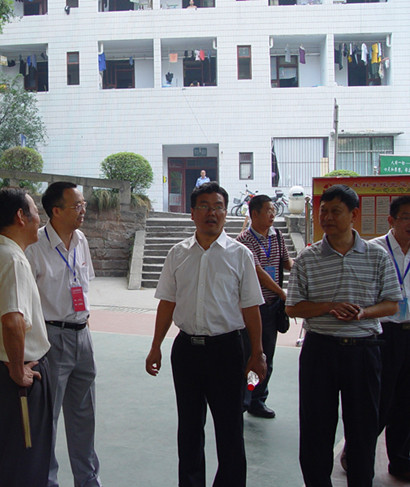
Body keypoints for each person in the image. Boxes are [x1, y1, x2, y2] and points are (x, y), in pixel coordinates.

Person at [145, 181, 267, 487]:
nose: (211, 213)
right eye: (204, 206)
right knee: (189, 428)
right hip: (186, 350)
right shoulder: (178, 254)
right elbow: (167, 303)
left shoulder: (240, 255)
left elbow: (251, 307)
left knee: (230, 428)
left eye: (218, 207)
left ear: (226, 212)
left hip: (227, 351)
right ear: (192, 213)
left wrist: (257, 352)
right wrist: (156, 346)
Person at [286, 184, 401, 487]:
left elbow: (392, 303)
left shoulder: (377, 256)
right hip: (319, 351)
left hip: (364, 352)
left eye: (335, 211)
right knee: (316, 428)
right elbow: (293, 306)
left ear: (354, 215)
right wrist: (329, 306)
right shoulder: (308, 258)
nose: (326, 217)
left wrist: (363, 312)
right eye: (323, 211)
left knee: (363, 430)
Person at [0, 188, 52, 487]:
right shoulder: (13, 260)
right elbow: (13, 321)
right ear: (21, 216)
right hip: (16, 376)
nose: (39, 219)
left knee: (2, 456)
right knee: (23, 462)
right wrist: (18, 370)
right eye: (35, 211)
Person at [25, 182, 102, 487]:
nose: (83, 210)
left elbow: (83, 285)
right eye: (77, 206)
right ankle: (47, 480)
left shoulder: (81, 240)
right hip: (51, 338)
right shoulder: (35, 246)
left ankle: (88, 479)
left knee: (85, 415)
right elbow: (27, 302)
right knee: (49, 418)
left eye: (83, 204)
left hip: (82, 335)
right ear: (55, 211)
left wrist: (84, 327)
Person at [236, 195, 293, 419]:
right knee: (250, 354)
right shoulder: (244, 240)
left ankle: (257, 400)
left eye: (273, 211)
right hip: (253, 307)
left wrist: (304, 266)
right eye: (268, 210)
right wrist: (281, 292)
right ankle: (244, 399)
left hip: (272, 307)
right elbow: (257, 272)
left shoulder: (277, 236)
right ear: (254, 214)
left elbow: (286, 262)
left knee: (267, 355)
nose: (272, 215)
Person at [370, 195, 410, 481]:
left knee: (406, 401)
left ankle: (400, 459)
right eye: (406, 217)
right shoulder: (375, 250)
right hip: (384, 333)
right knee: (379, 399)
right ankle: (357, 451)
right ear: (391, 220)